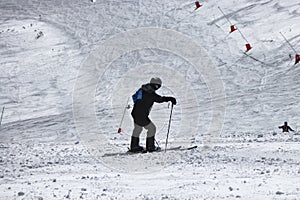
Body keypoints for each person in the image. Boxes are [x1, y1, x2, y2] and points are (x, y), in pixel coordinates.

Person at [130, 77, 177, 152]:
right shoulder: (149, 92)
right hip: (141, 115)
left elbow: (134, 97)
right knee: (152, 128)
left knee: (138, 129)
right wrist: (170, 99)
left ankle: (134, 146)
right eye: (158, 86)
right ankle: (150, 147)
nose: (158, 88)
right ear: (155, 85)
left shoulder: (143, 90)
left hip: (135, 113)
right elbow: (159, 99)